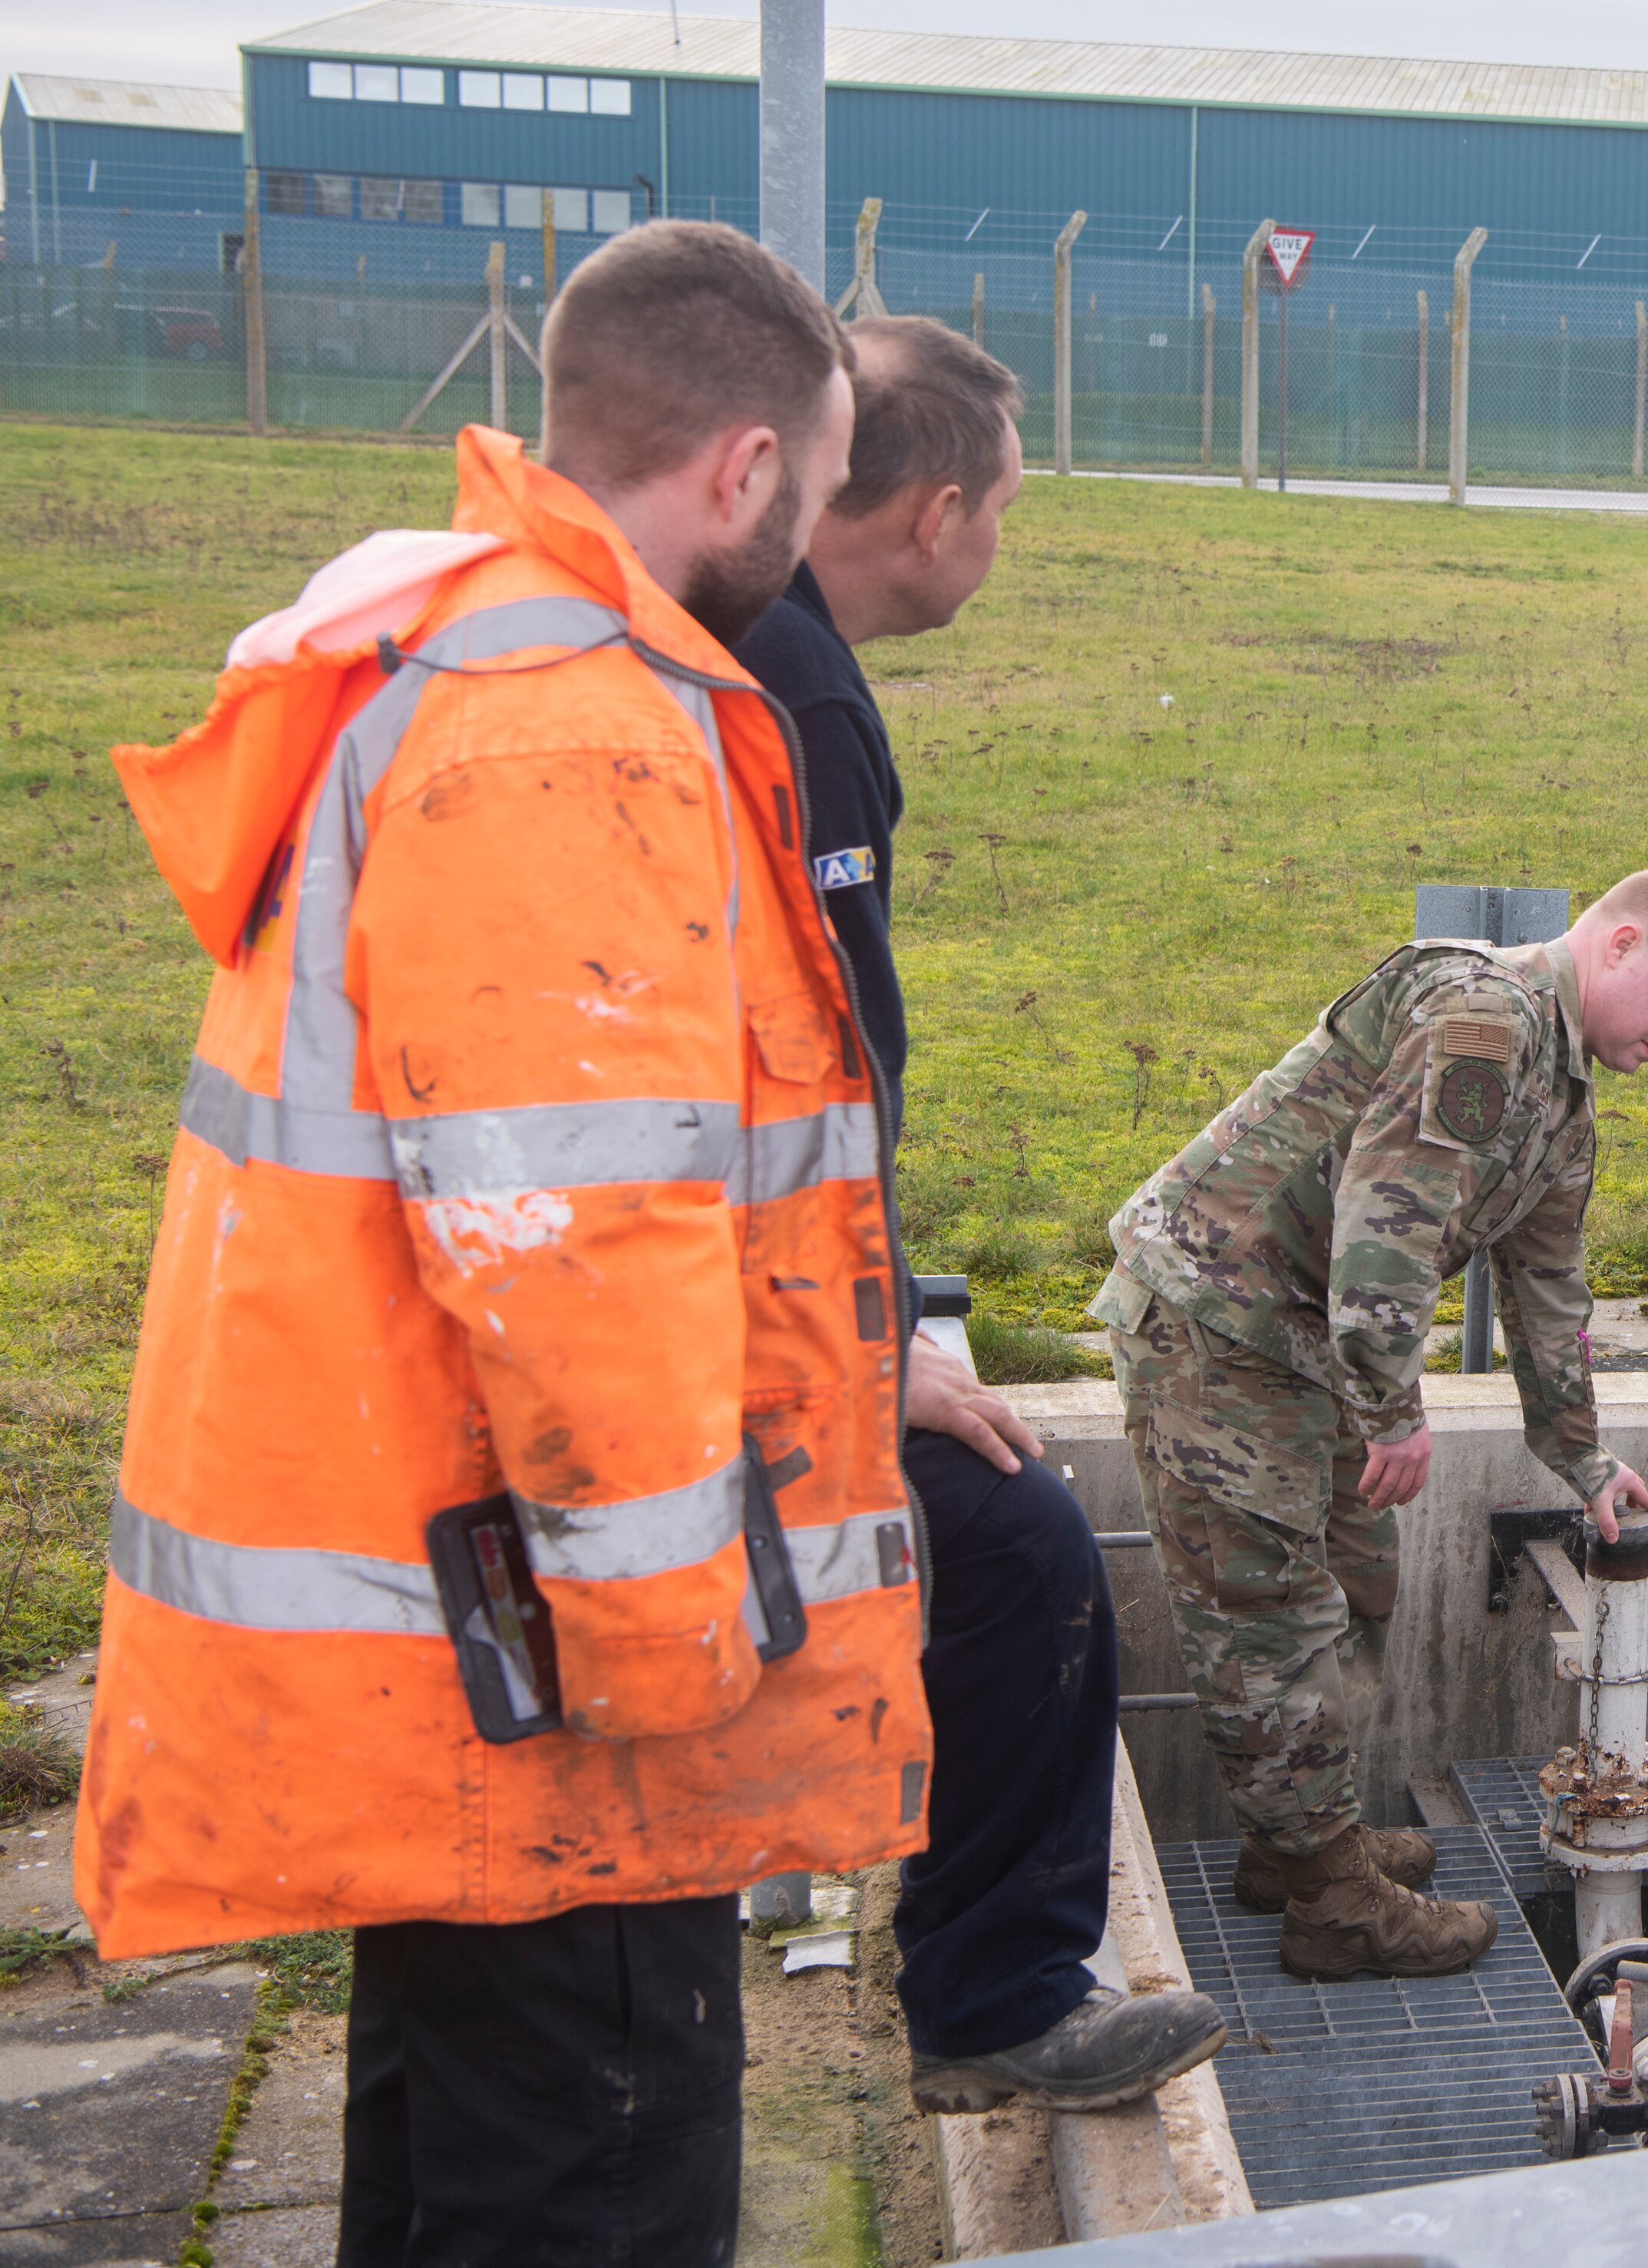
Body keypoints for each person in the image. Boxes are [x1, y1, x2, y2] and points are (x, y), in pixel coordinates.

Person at [88, 221, 923, 2263]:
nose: (807, 546)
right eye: (816, 489)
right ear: (745, 465)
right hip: (559, 1672)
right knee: (587, 2171)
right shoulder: (574, 725)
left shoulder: (458, 647)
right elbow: (577, 1241)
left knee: (458, 2140)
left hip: (452, 1592)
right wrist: (669, 1669)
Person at [736, 315, 1227, 2119]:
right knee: (1019, 1547)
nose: (1003, 545)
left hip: (739, 1276)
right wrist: (868, 1360)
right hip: (722, 1317)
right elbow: (804, 1073)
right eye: (1006, 510)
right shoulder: (795, 692)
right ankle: (998, 1997)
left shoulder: (759, 645)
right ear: (934, 512)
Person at [1092, 873, 1648, 1980]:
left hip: (1305, 1340)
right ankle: (1332, 1904)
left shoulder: (1561, 1095)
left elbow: (1548, 1286)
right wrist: (1392, 1409)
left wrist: (1583, 1460)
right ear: (1622, 942)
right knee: (1271, 1622)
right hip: (1220, 1320)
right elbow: (1388, 1219)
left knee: (1355, 1582)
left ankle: (1298, 1843)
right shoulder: (1483, 1022)